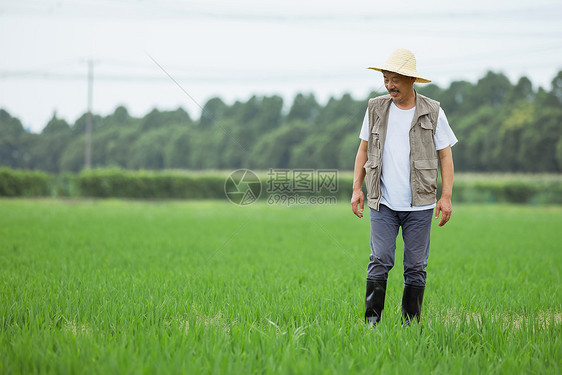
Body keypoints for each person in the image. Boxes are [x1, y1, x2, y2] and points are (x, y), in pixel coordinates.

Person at [350, 48, 458, 328]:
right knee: (380, 259)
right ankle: (371, 324)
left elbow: (445, 155)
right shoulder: (375, 107)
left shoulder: (432, 111)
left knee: (415, 266)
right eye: (386, 79)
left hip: (420, 205)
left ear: (412, 80)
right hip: (382, 202)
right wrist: (356, 189)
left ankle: (410, 326)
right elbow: (363, 149)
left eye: (395, 79)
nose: (390, 85)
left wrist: (445, 198)